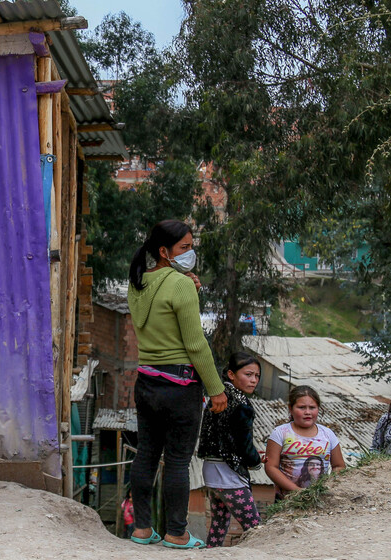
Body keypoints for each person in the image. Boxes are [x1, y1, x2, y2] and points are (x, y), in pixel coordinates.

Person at [126, 219, 227, 549]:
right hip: (180, 387)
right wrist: (217, 389)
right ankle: (176, 532)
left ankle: (141, 529)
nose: (190, 252)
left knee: (146, 456)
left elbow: (161, 314)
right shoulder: (180, 284)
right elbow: (195, 344)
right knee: (179, 462)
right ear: (164, 251)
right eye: (184, 247)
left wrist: (189, 287)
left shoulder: (138, 281)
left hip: (146, 383)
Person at [197, 352, 263, 547]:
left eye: (257, 376)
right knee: (256, 528)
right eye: (248, 374)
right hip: (229, 476)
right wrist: (256, 461)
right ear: (231, 374)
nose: (253, 380)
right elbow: (243, 444)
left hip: (211, 472)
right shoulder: (241, 405)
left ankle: (211, 554)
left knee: (219, 525)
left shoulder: (218, 397)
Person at [265, 386, 345, 500]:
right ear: (290, 409)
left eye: (312, 407)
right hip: (287, 500)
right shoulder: (280, 433)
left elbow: (339, 466)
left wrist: (327, 486)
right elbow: (271, 467)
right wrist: (297, 491)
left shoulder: (328, 434)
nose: (307, 412)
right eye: (301, 407)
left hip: (319, 499)